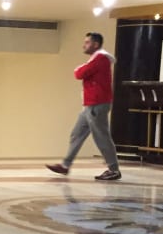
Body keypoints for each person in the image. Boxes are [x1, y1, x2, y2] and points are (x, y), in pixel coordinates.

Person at [47, 32, 122, 181]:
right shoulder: (97, 58)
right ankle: (65, 165)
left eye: (87, 42)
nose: (84, 45)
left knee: (102, 137)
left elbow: (80, 73)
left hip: (96, 104)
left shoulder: (100, 58)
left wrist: (79, 68)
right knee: (77, 133)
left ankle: (114, 169)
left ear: (96, 44)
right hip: (90, 105)